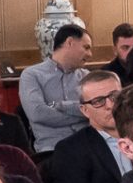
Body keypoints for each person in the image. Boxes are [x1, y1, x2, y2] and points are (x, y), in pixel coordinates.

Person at [43, 70, 130, 183]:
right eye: (98, 101)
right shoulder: (70, 150)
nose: (110, 105)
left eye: (115, 96)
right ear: (85, 111)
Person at [21, 24, 94, 154]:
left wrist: (62, 106)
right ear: (70, 42)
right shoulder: (32, 75)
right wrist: (85, 113)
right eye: (86, 47)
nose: (90, 54)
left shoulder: (87, 76)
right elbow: (39, 114)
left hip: (88, 146)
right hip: (51, 150)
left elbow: (97, 110)